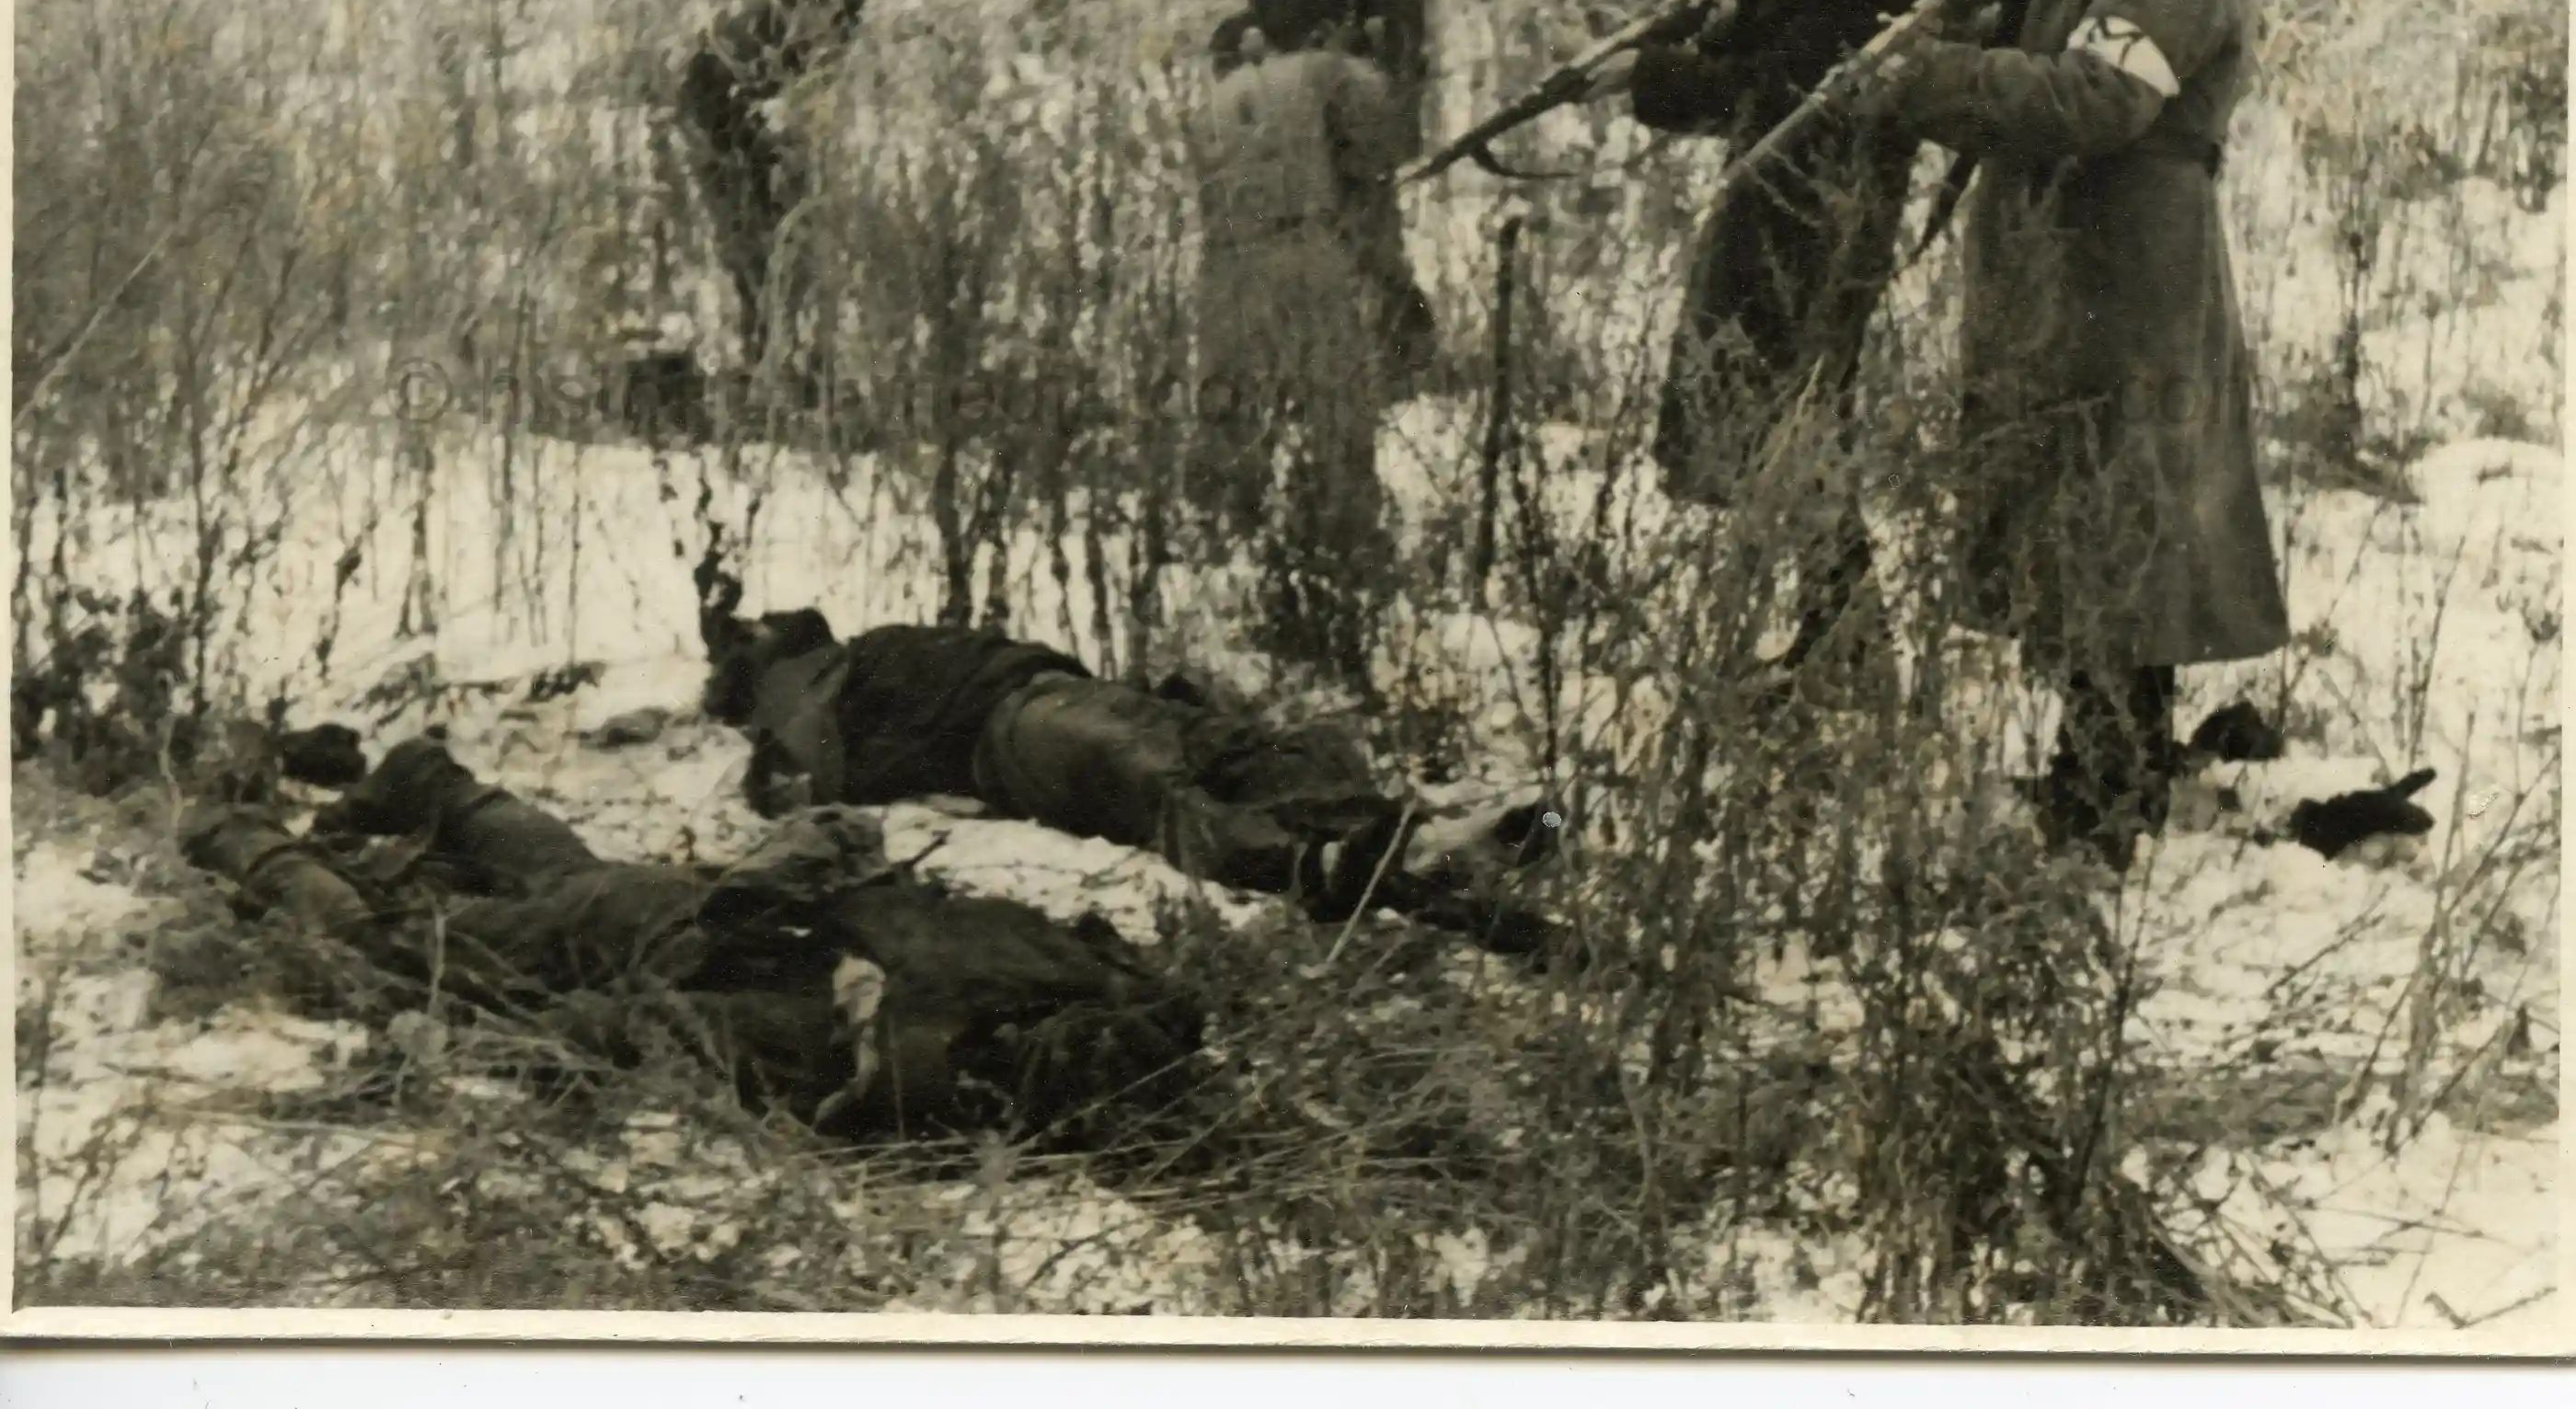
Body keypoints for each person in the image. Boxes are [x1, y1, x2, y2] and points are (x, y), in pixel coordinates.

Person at [1848, 0, 2292, 869]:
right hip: (2085, 259)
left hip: (2127, 263)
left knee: (2121, 513)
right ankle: (2105, 763)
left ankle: (2112, 791)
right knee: (2077, 509)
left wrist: (1931, 81)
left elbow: (2097, 100)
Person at [190, 733, 1202, 1143]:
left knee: (579, 875)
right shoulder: (856, 1041)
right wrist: (471, 1042)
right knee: (393, 949)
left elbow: (1127, 970)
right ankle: (228, 833)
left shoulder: (1050, 978)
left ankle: (443, 786)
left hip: (718, 900)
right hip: (662, 935)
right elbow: (640, 1021)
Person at [1583, 0, 1953, 702]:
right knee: (1786, 434)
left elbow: (1788, 88)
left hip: (1816, 220)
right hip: (1788, 210)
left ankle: (1848, 655)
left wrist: (1658, 74)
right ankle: (1841, 649)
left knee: (1794, 431)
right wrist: (1681, 40)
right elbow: (1758, 49)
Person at [696, 574, 1564, 958]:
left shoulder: (828, 678)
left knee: (1199, 802)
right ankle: (1437, 856)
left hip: (1039, 724)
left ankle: (1383, 859)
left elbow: (809, 772)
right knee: (1238, 777)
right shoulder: (855, 669)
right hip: (1074, 706)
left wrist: (764, 746)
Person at [1207, 0, 1439, 387]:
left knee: (1368, 230)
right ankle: (1312, 352)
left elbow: (1402, 31)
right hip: (1291, 106)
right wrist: (1243, 35)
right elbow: (1266, 9)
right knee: (1297, 230)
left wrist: (1377, 86)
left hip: (1355, 101)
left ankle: (1404, 354)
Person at [670, 0, 867, 378]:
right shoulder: (745, 27)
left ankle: (789, 354)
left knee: (794, 248)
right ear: (802, 2)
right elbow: (706, 111)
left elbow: (823, 91)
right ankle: (758, 359)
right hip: (720, 133)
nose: (831, 33)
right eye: (824, 12)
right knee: (748, 248)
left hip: (765, 141)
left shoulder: (826, 30)